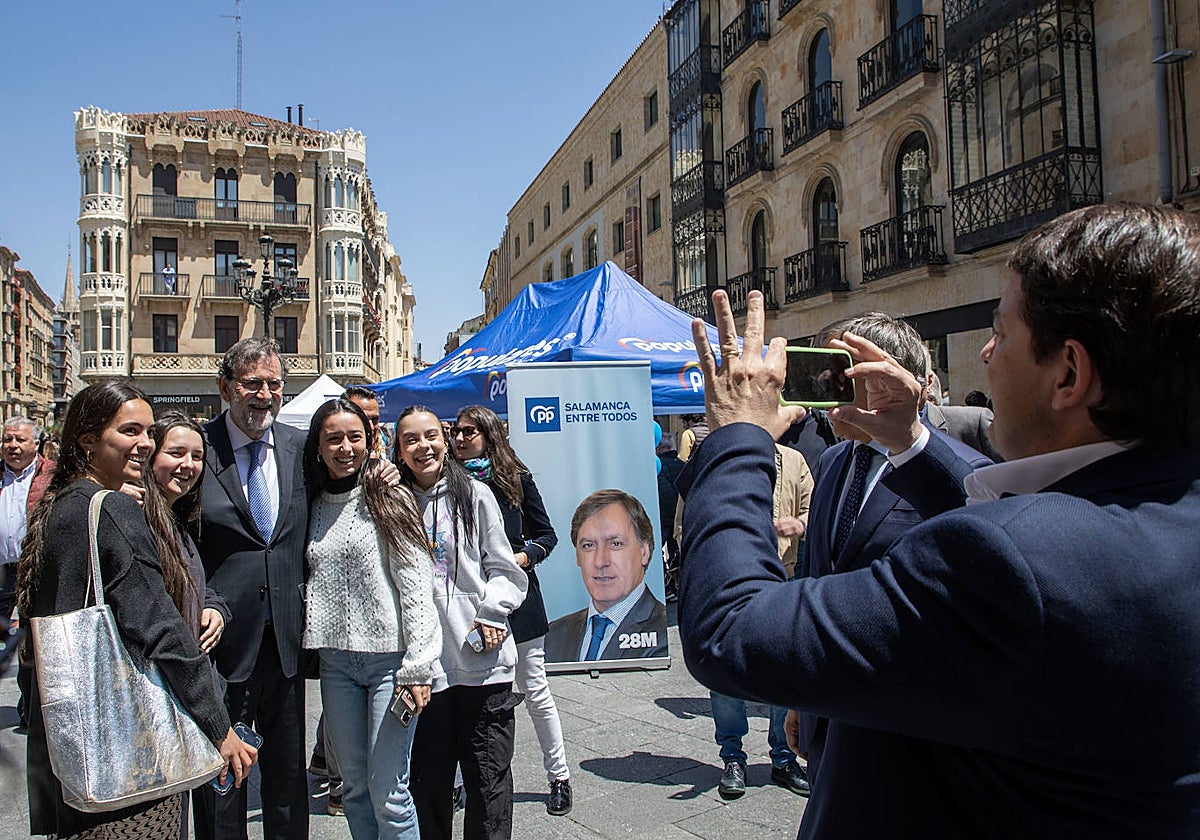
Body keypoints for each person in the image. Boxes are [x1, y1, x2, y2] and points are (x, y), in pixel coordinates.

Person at [677, 202, 1200, 838]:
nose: (984, 354)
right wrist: (914, 443)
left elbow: (731, 629)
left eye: (1001, 334)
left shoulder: (1016, 565)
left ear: (1068, 373)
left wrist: (736, 436)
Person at [18, 381, 256, 839]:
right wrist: (218, 725)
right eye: (130, 430)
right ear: (87, 439)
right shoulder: (112, 511)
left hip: (74, 745)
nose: (145, 443)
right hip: (127, 748)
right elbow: (161, 629)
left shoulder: (65, 504)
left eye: (149, 432)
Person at [789, 313, 991, 786]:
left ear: (882, 379)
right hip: (829, 718)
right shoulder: (835, 460)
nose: (825, 396)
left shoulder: (966, 472)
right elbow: (816, 575)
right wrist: (805, 698)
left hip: (911, 730)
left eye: (836, 376)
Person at [303, 397, 441, 839]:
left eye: (354, 437)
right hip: (336, 665)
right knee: (354, 789)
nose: (345, 448)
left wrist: (418, 664)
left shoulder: (387, 492)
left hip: (390, 665)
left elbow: (416, 580)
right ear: (319, 448)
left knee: (390, 793)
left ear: (370, 441)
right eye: (334, 439)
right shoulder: (309, 500)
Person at [195, 337, 310, 840]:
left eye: (274, 384)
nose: (264, 395)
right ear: (225, 388)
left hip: (286, 643)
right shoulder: (197, 451)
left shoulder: (299, 447)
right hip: (222, 647)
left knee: (287, 781)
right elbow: (176, 539)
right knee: (224, 783)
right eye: (252, 384)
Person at [394, 405, 527, 840]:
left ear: (445, 438)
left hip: (482, 666)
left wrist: (491, 612)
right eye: (410, 439)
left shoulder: (474, 494)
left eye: (430, 435)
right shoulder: (391, 503)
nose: (423, 446)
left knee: (487, 786)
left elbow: (506, 571)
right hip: (426, 673)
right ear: (398, 447)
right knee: (428, 788)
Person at [453, 404, 572, 817]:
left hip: (519, 604)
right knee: (463, 693)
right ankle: (457, 784)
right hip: (467, 604)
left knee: (535, 690)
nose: (461, 437)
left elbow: (548, 535)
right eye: (457, 430)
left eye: (470, 430)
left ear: (488, 434)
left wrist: (523, 558)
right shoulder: (448, 483)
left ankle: (559, 776)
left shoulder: (516, 479)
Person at [142, 411, 233, 836]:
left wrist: (214, 607)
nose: (188, 465)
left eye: (197, 456)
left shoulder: (176, 518)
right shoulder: (137, 518)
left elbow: (198, 580)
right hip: (157, 700)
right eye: (176, 453)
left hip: (181, 698)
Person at [544, 489, 667, 662]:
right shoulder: (554, 635)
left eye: (615, 544)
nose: (600, 561)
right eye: (588, 546)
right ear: (577, 557)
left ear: (644, 552)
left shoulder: (662, 633)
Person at [1, 418, 54, 658]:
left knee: (35, 643)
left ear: (35, 444)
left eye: (20, 440)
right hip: (2, 572)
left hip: (36, 570)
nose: (12, 445)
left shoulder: (53, 475)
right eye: (7, 439)